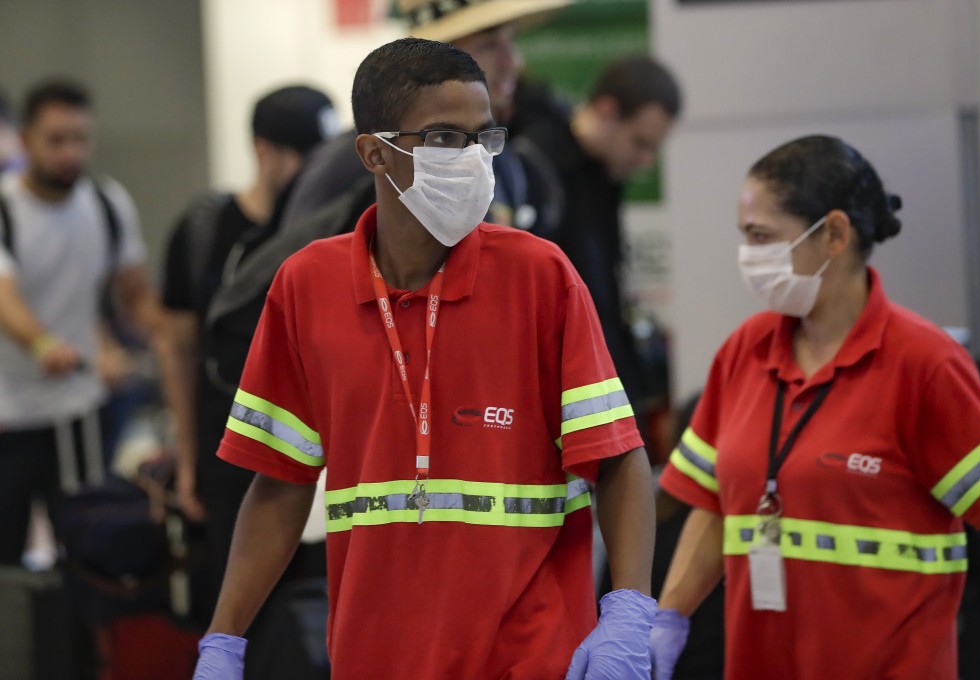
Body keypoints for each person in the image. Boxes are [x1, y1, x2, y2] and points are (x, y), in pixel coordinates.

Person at [192, 38, 656, 680]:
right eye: (443, 137)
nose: (470, 159)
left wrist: (629, 611)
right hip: (374, 655)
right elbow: (279, 482)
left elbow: (618, 458)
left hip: (531, 654)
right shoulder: (306, 286)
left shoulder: (540, 276)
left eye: (482, 137)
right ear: (373, 152)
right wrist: (224, 639)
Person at [649, 135, 980, 680]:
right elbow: (711, 505)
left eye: (762, 236)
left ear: (835, 235)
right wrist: (668, 619)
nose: (748, 255)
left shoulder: (924, 364)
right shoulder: (744, 353)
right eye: (744, 236)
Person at [161, 85, 337, 601]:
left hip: (317, 442)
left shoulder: (333, 231)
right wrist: (188, 453)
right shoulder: (205, 231)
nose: (316, 174)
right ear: (265, 151)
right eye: (306, 158)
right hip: (231, 440)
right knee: (241, 592)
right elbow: (177, 347)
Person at [0, 79, 169, 563]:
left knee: (86, 550)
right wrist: (43, 345)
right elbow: (5, 298)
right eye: (56, 140)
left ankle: (79, 641)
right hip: (10, 416)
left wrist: (167, 334)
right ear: (27, 139)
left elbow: (134, 293)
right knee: (7, 561)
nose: (71, 152)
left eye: (80, 139)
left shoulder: (106, 203)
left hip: (78, 411)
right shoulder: (6, 208)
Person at [276, 0, 568, 237]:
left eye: (511, 40)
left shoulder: (502, 158)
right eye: (490, 45)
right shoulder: (359, 160)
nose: (514, 62)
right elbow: (297, 281)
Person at [519, 55, 681, 438]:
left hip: (597, 387)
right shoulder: (536, 164)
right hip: (550, 398)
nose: (645, 161)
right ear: (607, 111)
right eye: (640, 143)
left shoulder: (602, 173)